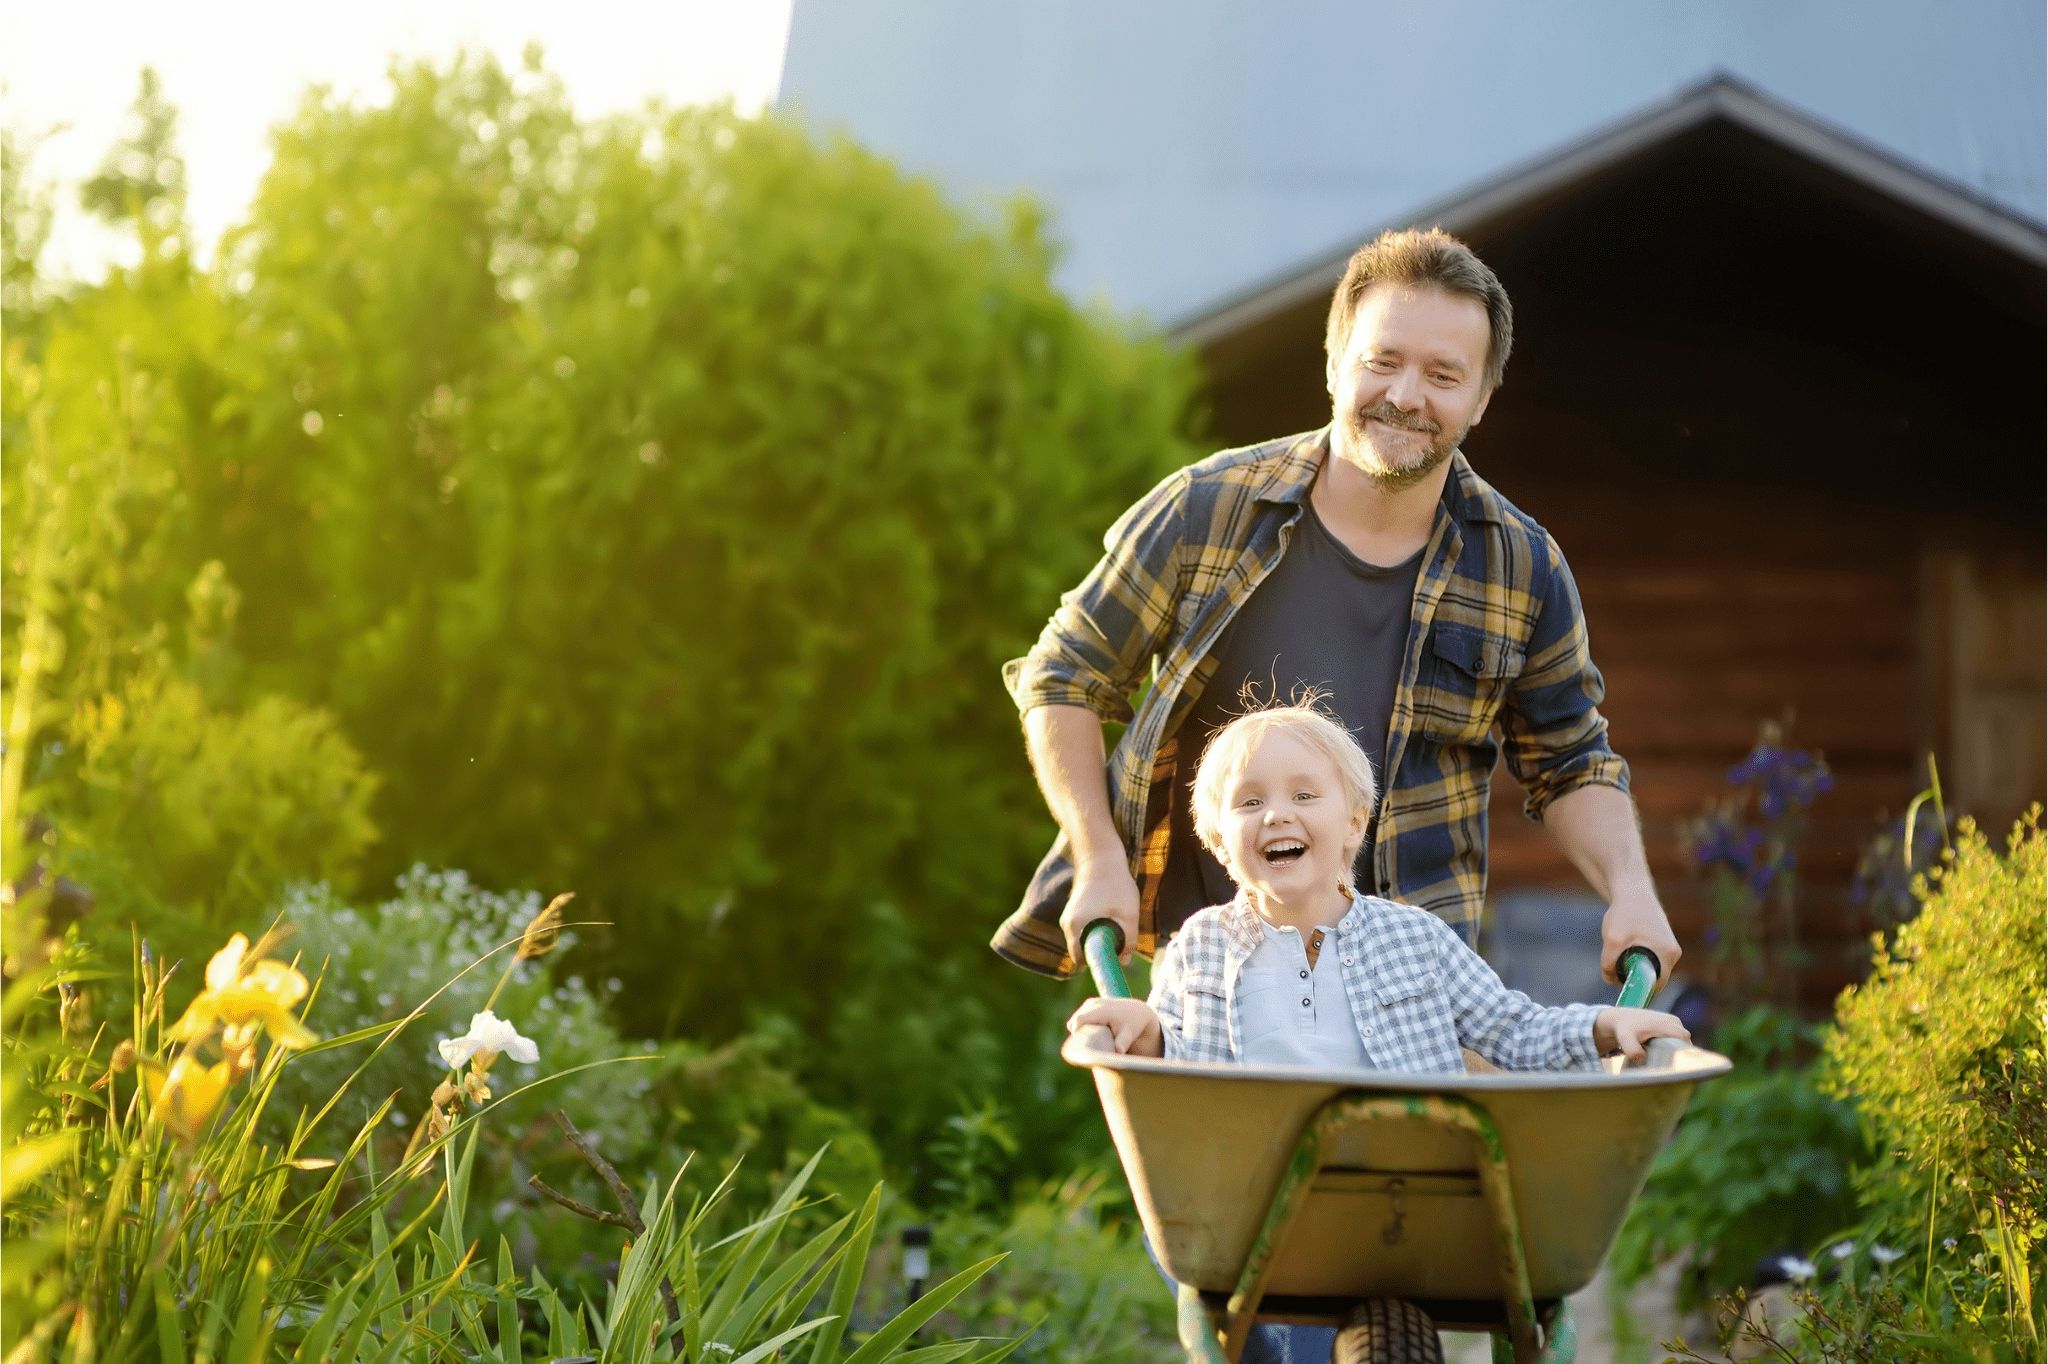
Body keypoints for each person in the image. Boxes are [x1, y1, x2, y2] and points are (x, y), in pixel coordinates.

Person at [992, 226, 1682, 991]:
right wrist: (1098, 859)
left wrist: (1633, 890)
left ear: (1482, 400)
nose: (1407, 395)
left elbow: (1571, 760)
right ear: (1333, 363)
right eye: (1382, 361)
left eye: (1444, 375)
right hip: (1207, 986)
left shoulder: (1521, 565)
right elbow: (1065, 678)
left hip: (1412, 995)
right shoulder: (1206, 511)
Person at [1065, 702, 1691, 1069]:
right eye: (1249, 802)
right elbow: (1174, 1058)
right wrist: (1139, 1030)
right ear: (1220, 842)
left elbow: (1513, 1029)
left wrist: (1608, 1028)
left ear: (1354, 822)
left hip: (1403, 1179)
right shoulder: (1199, 947)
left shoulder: (1416, 941)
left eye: (1305, 795)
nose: (1277, 815)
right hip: (1246, 1189)